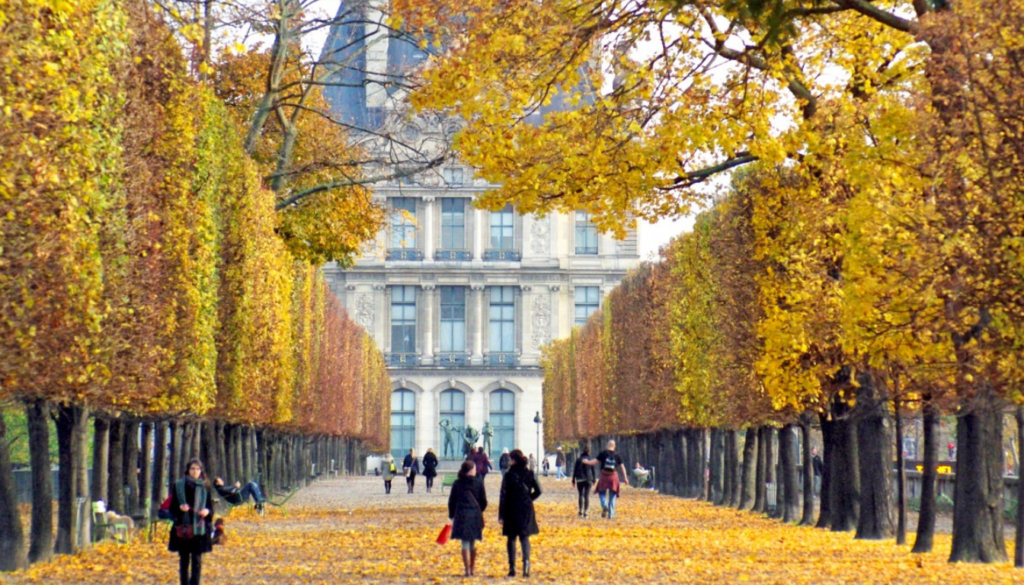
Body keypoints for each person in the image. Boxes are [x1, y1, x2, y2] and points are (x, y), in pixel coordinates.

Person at [169, 459, 214, 585]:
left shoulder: (205, 486)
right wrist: (180, 508)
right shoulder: (179, 485)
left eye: (197, 469)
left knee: (197, 560)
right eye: (192, 469)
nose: (195, 471)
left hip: (199, 529)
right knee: (184, 560)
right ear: (188, 470)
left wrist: (206, 511)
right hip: (183, 528)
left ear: (201, 471)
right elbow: (172, 508)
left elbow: (210, 508)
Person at [499, 449, 541, 578]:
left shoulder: (508, 475)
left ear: (514, 460)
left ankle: (512, 568)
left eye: (510, 459)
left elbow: (503, 496)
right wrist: (529, 498)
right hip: (526, 509)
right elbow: (539, 490)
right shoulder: (530, 473)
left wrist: (501, 515)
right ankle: (526, 568)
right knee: (524, 537)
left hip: (511, 508)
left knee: (511, 538)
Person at [447, 461, 488, 577]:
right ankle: (472, 568)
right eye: (474, 469)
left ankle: (467, 570)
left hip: (461, 514)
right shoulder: (478, 483)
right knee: (472, 541)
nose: (475, 471)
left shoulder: (457, 483)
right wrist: (479, 510)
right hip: (474, 514)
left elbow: (451, 501)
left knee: (464, 541)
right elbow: (484, 502)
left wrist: (452, 515)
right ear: (471, 470)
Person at [585, 439, 629, 519]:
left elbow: (593, 462)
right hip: (613, 477)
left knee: (601, 492)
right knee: (613, 495)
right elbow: (622, 467)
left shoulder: (603, 453)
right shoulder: (617, 455)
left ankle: (604, 505)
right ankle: (611, 514)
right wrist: (625, 477)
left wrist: (586, 462)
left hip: (604, 476)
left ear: (607, 445)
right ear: (614, 446)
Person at [571, 447, 595, 517]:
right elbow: (593, 470)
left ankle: (580, 511)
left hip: (580, 479)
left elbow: (575, 470)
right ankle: (586, 512)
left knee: (581, 494)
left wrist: (573, 480)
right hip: (588, 479)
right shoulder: (590, 459)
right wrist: (593, 479)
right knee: (586, 495)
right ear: (589, 452)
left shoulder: (578, 460)